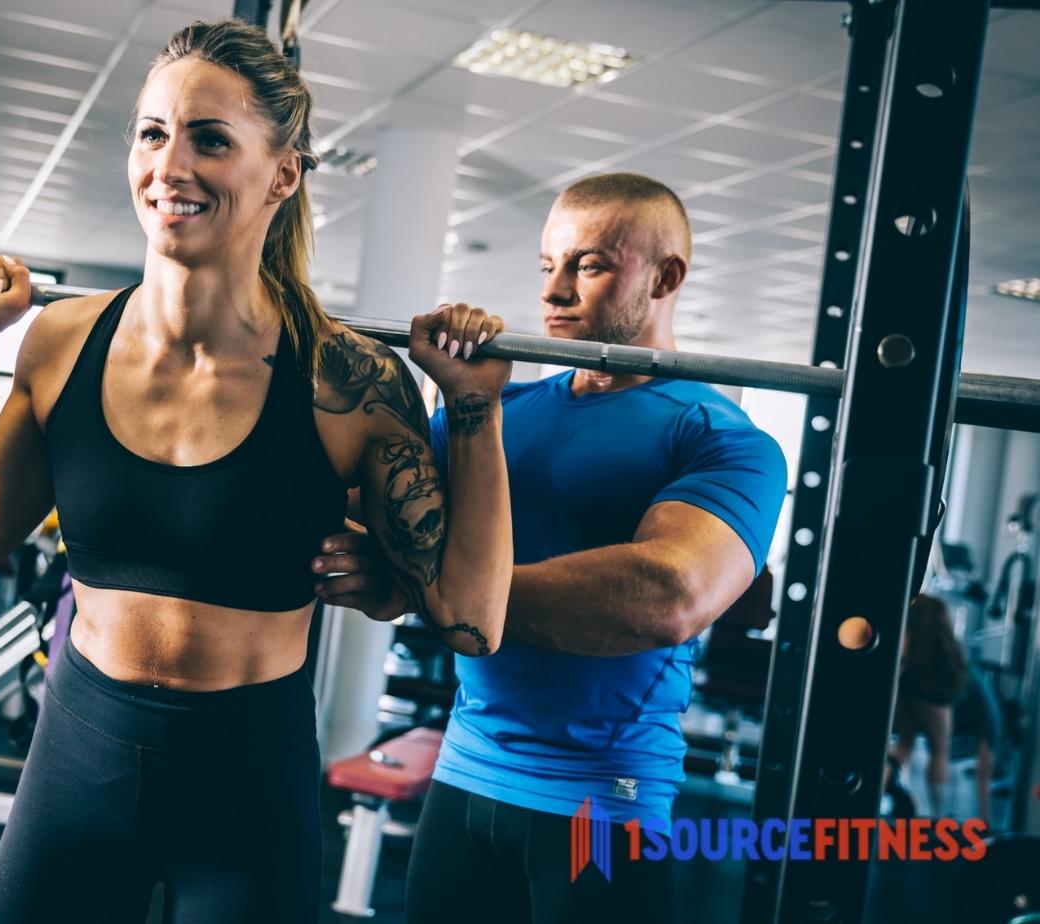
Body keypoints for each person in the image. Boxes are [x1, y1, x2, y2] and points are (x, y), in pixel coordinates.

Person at [0, 19, 516, 923]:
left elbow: (470, 620)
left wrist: (474, 413)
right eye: (153, 133)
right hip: (77, 754)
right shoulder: (58, 343)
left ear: (281, 174)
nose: (171, 166)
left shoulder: (348, 381)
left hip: (248, 782)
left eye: (210, 139)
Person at [314, 173, 788, 923]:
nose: (556, 290)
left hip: (604, 805)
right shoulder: (499, 414)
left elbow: (667, 596)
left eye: (589, 264)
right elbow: (382, 522)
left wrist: (430, 583)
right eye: (548, 266)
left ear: (665, 277)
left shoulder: (723, 438)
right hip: (463, 778)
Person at [889, 593, 969, 817]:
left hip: (909, 692)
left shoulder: (910, 641)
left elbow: (899, 669)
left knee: (905, 744)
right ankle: (936, 813)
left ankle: (888, 793)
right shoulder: (942, 647)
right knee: (939, 750)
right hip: (935, 699)